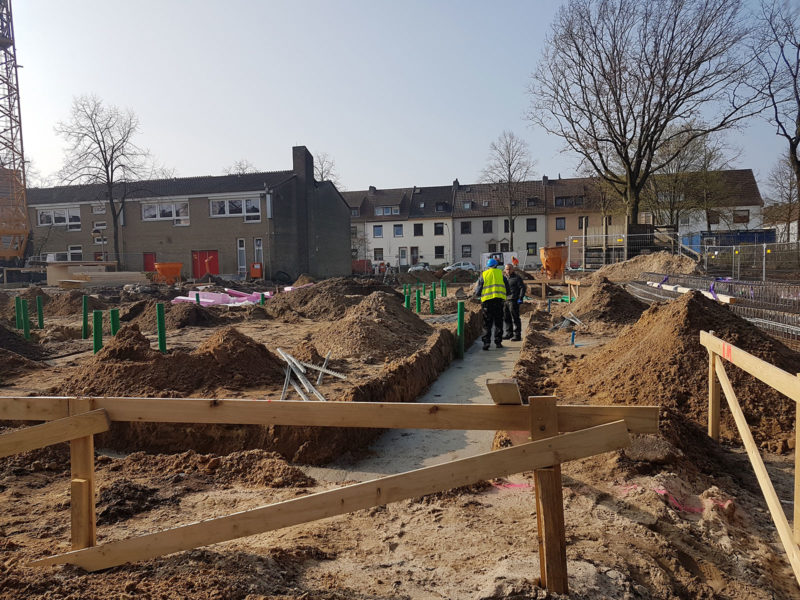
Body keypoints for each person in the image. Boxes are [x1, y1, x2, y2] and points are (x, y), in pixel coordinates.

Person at [474, 258, 510, 350]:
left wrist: (477, 295)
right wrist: (507, 294)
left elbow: (479, 290)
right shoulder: (501, 275)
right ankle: (498, 342)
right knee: (498, 322)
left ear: (488, 266)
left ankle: (486, 343)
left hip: (487, 303)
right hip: (498, 302)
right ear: (496, 266)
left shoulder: (484, 275)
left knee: (487, 324)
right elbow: (507, 288)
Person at [502, 263, 526, 341]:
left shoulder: (517, 278)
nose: (508, 271)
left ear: (512, 269)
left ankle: (517, 335)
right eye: (506, 269)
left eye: (509, 269)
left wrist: (520, 298)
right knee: (506, 317)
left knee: (515, 317)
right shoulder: (504, 278)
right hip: (505, 300)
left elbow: (522, 288)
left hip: (513, 300)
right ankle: (509, 333)